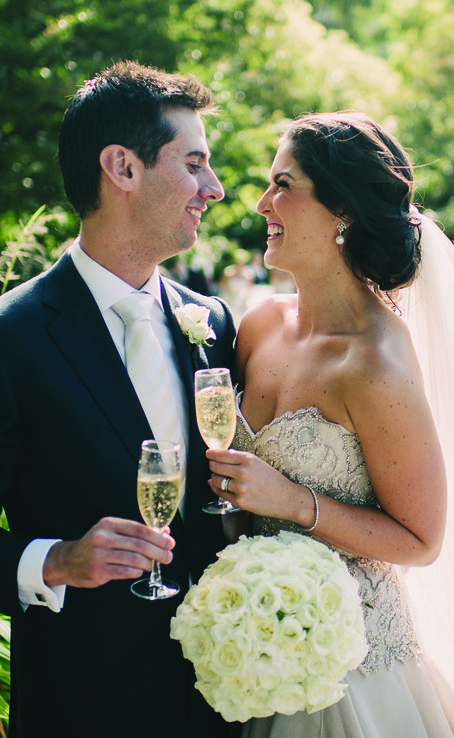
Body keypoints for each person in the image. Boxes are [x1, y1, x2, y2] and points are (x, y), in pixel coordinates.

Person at [206, 113, 454, 736]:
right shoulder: (258, 325)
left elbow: (421, 541)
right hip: (250, 648)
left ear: (343, 213)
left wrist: (294, 502)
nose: (261, 203)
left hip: (354, 665)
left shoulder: (375, 362)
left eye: (284, 184)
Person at [0, 61, 238, 738]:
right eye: (193, 164)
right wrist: (54, 560)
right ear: (122, 168)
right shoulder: (11, 337)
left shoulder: (212, 323)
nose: (213, 189)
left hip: (217, 700)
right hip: (82, 706)